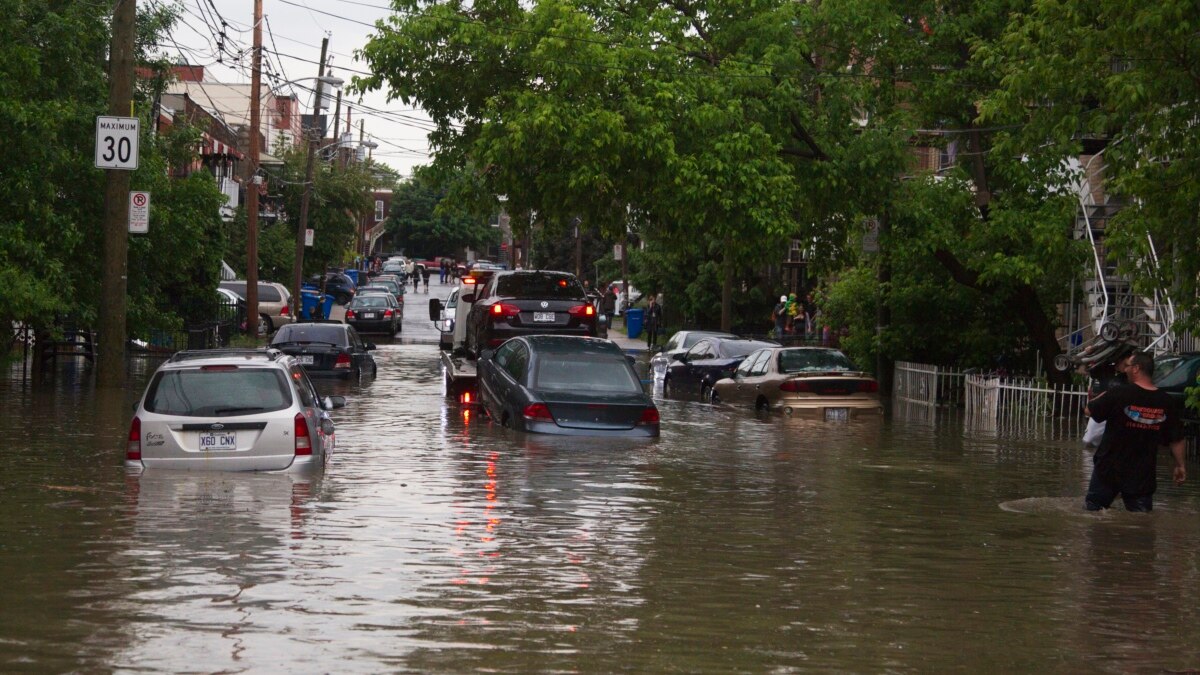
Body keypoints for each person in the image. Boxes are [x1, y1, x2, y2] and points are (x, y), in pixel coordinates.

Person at [1084, 350, 1187, 512]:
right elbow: (1177, 438)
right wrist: (1180, 465)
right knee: (1142, 523)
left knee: (1093, 513)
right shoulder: (1166, 401)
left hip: (1108, 469)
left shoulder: (1118, 394)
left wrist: (1103, 395)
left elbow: (1089, 411)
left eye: (1128, 366)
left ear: (1136, 368)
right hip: (1141, 475)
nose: (1125, 369)